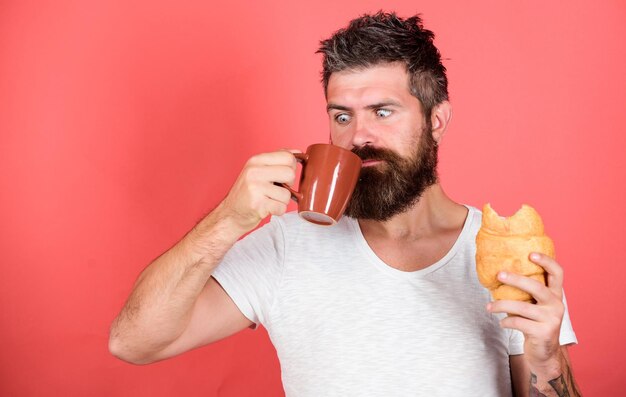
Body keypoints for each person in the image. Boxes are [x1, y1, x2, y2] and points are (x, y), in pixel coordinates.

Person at [109, 12, 582, 397]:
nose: (358, 137)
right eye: (342, 116)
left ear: (437, 120)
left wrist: (544, 356)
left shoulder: (505, 256)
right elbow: (133, 343)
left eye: (382, 111)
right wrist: (227, 221)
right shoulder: (286, 247)